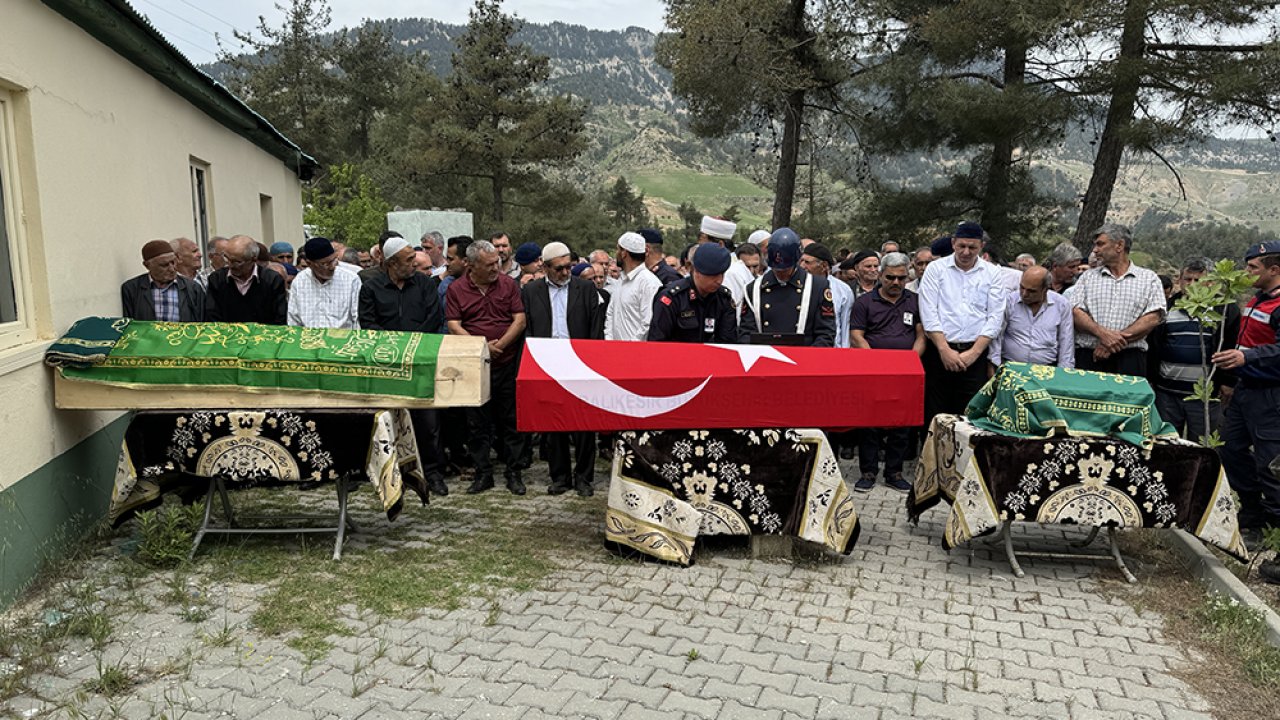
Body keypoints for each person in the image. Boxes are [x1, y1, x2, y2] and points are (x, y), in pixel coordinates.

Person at [358, 236, 449, 497]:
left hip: (420, 363)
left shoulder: (424, 284)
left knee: (428, 422)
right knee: (387, 421)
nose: (414, 263)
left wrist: (411, 348)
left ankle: (433, 472)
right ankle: (391, 474)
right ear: (391, 263)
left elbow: (433, 318)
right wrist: (394, 349)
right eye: (408, 260)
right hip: (386, 364)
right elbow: (368, 323)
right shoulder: (371, 287)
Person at [1212, 241, 1280, 565]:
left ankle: (1276, 534)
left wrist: (1247, 356)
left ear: (1273, 270)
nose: (1246, 273)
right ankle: (1253, 514)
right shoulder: (1256, 300)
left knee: (1271, 464)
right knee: (1230, 449)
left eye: (1253, 268)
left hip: (1271, 396)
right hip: (1244, 391)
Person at [522, 242, 605, 496]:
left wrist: (591, 362)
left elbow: (595, 328)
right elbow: (529, 329)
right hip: (548, 362)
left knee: (584, 424)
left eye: (568, 266)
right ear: (545, 267)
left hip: (579, 362)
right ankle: (560, 477)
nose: (566, 272)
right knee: (553, 424)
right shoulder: (532, 291)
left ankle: (584, 478)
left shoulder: (586, 288)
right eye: (559, 268)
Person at [446, 240, 528, 495]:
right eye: (490, 264)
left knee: (510, 420)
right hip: (474, 365)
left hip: (506, 362)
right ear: (472, 265)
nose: (496, 267)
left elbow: (520, 319)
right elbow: (453, 324)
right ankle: (483, 473)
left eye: (497, 262)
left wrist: (499, 346)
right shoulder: (457, 289)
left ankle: (514, 472)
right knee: (477, 422)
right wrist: (481, 346)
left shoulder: (507, 284)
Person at [849, 251, 923, 492]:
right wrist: (876, 363)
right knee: (869, 424)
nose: (896, 283)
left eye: (901, 278)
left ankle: (894, 472)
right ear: (880, 275)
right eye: (890, 277)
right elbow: (857, 336)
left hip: (905, 372)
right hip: (873, 372)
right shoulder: (864, 302)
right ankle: (868, 472)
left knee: (901, 425)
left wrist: (912, 360)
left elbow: (922, 335)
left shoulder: (915, 301)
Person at [918, 221, 1005, 425]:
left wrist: (973, 353)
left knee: (969, 413)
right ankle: (933, 456)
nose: (966, 252)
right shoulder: (936, 269)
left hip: (974, 353)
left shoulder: (992, 273)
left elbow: (995, 317)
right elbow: (929, 312)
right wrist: (944, 349)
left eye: (972, 247)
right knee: (935, 411)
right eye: (961, 246)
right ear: (953, 243)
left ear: (981, 246)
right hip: (939, 351)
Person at [1149, 257, 1238, 442]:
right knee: (1167, 444)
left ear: (1211, 283)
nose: (1192, 285)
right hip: (1167, 393)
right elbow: (1154, 345)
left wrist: (1228, 381)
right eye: (1187, 279)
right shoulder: (1165, 308)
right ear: (1179, 280)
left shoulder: (1225, 310)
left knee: (1203, 447)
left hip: (1205, 395)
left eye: (1198, 280)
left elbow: (1231, 344)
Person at [1071, 223, 1166, 375]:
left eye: (1100, 244)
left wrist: (1111, 343)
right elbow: (1076, 312)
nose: (1095, 250)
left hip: (1129, 360)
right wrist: (1102, 334)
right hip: (1090, 357)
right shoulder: (1088, 277)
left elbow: (1153, 317)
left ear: (1119, 245)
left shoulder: (1149, 279)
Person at [738, 227, 836, 347]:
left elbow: (826, 333)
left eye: (786, 269)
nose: (781, 273)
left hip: (805, 358)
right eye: (777, 269)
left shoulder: (817, 287)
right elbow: (746, 333)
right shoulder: (753, 289)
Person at [648, 243, 737, 343]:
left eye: (722, 274)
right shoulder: (673, 298)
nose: (719, 280)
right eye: (712, 276)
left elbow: (728, 342)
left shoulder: (723, 298)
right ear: (696, 271)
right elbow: (657, 342)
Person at [989, 266, 1074, 369]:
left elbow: (1066, 342)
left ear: (1045, 289)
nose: (1024, 294)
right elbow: (997, 335)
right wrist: (994, 363)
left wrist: (1064, 373)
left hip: (1046, 369)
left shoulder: (1061, 305)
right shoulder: (1010, 301)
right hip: (1011, 366)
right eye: (1022, 288)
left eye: (1031, 291)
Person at [206, 235, 287, 325]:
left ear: (253, 259)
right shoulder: (217, 279)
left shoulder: (272, 280)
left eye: (237, 262)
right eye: (227, 258)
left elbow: (280, 318)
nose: (230, 265)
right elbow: (212, 317)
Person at [121, 239, 209, 321]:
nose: (172, 268)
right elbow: (129, 326)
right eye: (164, 265)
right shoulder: (132, 289)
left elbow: (201, 324)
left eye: (173, 262)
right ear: (147, 265)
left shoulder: (193, 289)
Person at [287, 238, 362, 330]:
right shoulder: (299, 281)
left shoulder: (351, 279)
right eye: (325, 264)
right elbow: (293, 320)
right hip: (309, 340)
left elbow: (357, 319)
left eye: (334, 260)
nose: (332, 267)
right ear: (309, 264)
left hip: (342, 340)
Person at [604, 232, 663, 341]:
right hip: (615, 351)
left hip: (637, 353)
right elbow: (611, 313)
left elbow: (647, 323)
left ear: (624, 253)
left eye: (618, 249)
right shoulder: (620, 281)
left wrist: (630, 347)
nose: (616, 254)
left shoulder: (649, 283)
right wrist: (609, 341)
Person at [799, 243, 851, 348]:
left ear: (823, 266)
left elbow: (845, 326)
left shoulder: (843, 290)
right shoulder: (798, 286)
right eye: (801, 261)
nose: (802, 266)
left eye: (807, 262)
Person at [724, 230, 770, 309]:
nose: (752, 271)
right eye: (747, 267)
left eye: (755, 266)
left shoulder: (767, 277)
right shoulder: (730, 278)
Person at [438, 235, 471, 302]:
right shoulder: (445, 285)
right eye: (447, 259)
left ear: (465, 261)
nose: (447, 263)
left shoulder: (482, 283)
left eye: (450, 259)